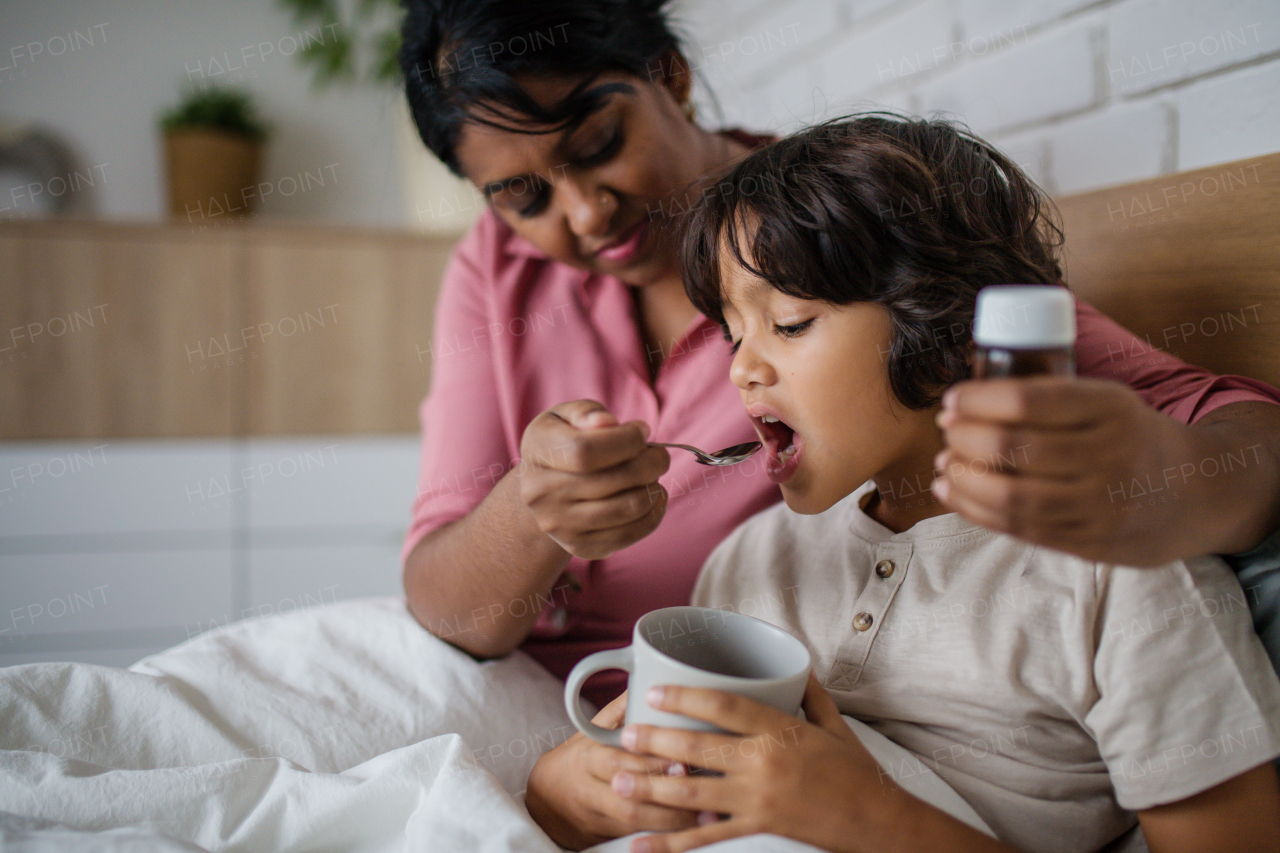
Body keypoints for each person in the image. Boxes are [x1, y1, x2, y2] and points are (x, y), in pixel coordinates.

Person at [395, 0, 1280, 845]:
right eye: (521, 197)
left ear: (669, 75)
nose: (583, 213)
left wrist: (1154, 485)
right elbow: (446, 599)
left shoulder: (858, 218)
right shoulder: (750, 566)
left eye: (598, 145)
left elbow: (1214, 426)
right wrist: (558, 797)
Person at [605, 114, 1280, 853]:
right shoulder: (748, 562)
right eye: (734, 333)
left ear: (949, 333)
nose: (741, 369)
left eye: (790, 323)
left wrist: (871, 818)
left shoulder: (1122, 574)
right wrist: (573, 794)